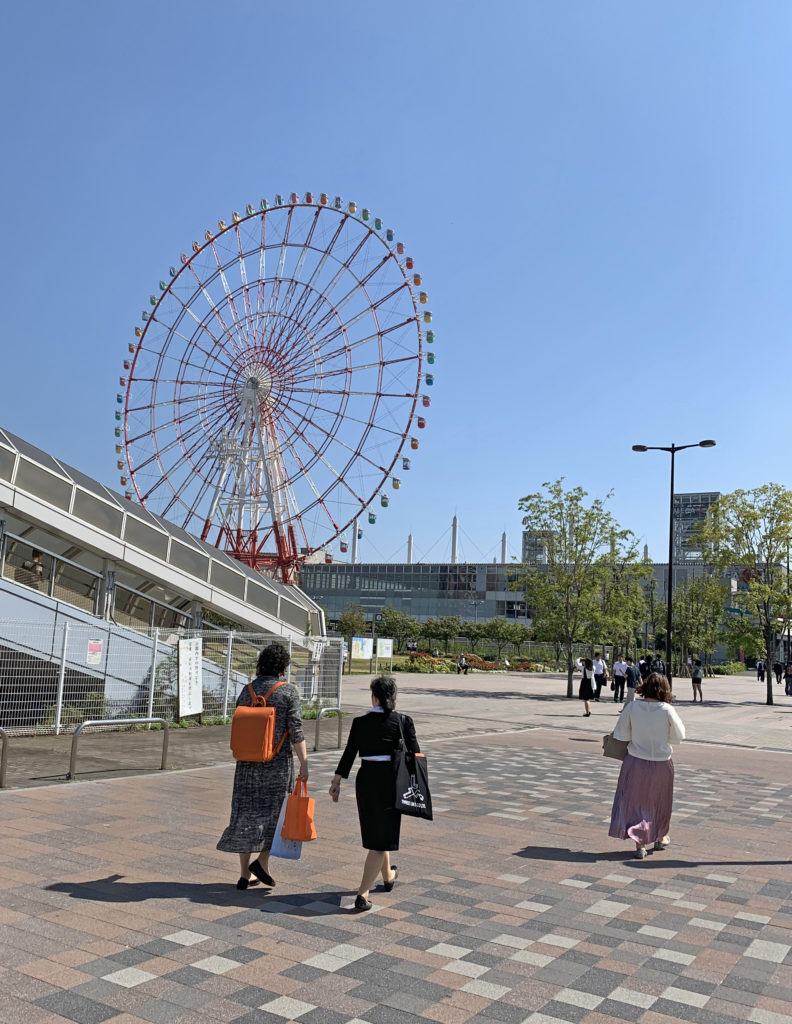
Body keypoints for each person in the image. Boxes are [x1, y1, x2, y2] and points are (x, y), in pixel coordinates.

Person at [217, 643, 308, 890]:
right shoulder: (287, 692)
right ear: (283, 667)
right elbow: (296, 731)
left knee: (245, 814)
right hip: (277, 765)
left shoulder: (247, 691)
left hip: (246, 763)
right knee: (275, 816)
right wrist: (304, 763)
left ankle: (245, 874)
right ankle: (262, 863)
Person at [330, 676, 419, 911]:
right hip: (392, 781)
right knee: (380, 842)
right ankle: (362, 894)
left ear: (374, 697)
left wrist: (337, 780)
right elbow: (415, 755)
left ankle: (388, 876)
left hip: (366, 779)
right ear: (394, 698)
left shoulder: (360, 722)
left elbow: (349, 753)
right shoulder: (403, 721)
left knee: (379, 834)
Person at [608, 672, 685, 859]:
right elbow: (679, 736)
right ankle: (660, 835)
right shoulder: (667, 709)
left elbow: (621, 735)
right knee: (660, 801)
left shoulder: (632, 707)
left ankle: (640, 842)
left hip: (635, 760)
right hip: (662, 762)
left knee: (636, 802)